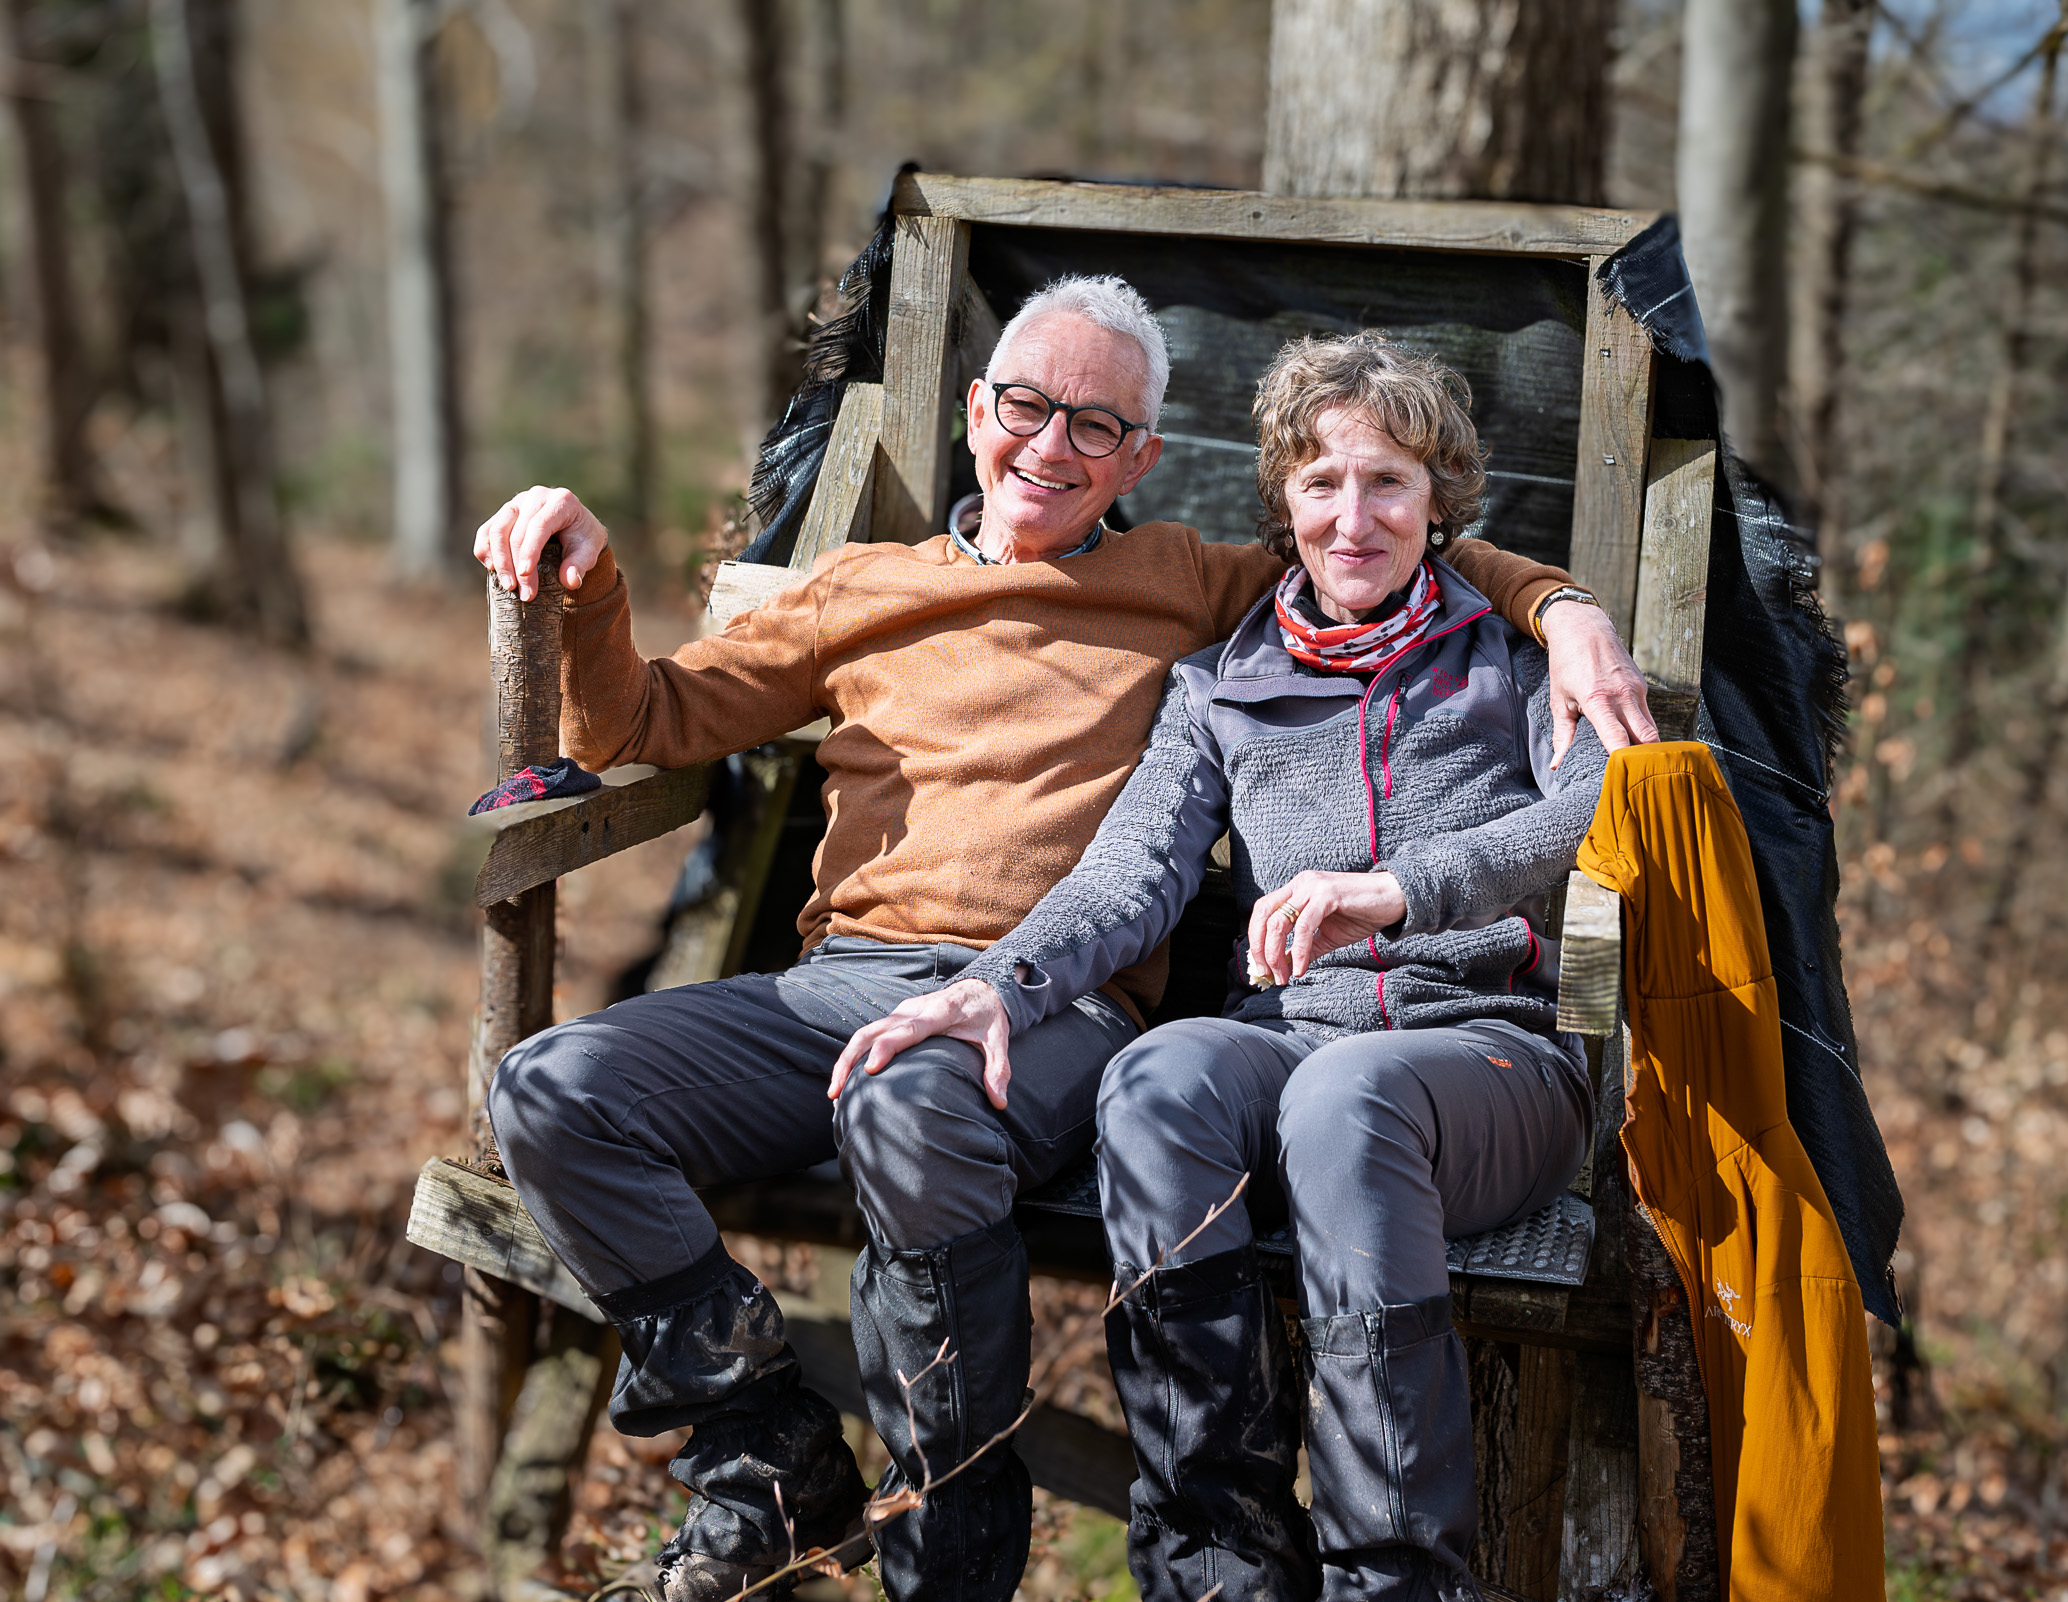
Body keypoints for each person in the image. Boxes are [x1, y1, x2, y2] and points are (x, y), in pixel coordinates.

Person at [475, 277, 1655, 1602]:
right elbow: (636, 724)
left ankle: (951, 1553)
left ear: (1142, 458)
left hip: (1061, 1012)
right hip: (848, 985)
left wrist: (1563, 607)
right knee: (550, 1090)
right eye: (1027, 406)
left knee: (917, 1103)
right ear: (976, 411)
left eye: (1097, 425)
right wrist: (590, 580)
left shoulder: (1190, 583)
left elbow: (1385, 552)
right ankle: (766, 1454)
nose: (1052, 445)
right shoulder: (871, 587)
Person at [838, 333, 1607, 1602]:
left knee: (1347, 1101)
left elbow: (1595, 807)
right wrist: (998, 984)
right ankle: (1218, 1559)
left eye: (1389, 483)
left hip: (1491, 1061)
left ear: (1440, 504)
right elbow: (1129, 875)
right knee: (1155, 1080)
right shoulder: (1220, 684)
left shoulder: (1518, 663)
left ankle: (1394, 1578)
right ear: (1282, 502)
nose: (1353, 518)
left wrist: (1402, 889)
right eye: (1322, 483)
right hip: (1295, 1043)